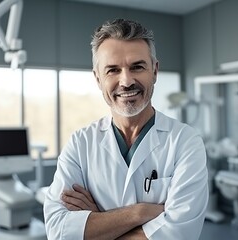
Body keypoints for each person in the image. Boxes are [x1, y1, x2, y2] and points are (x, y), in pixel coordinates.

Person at [44, 18, 208, 240]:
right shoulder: (80, 143)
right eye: (112, 70)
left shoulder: (185, 141)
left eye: (137, 67)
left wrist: (97, 219)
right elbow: (58, 231)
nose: (126, 81)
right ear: (98, 78)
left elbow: (179, 234)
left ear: (155, 71)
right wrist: (140, 213)